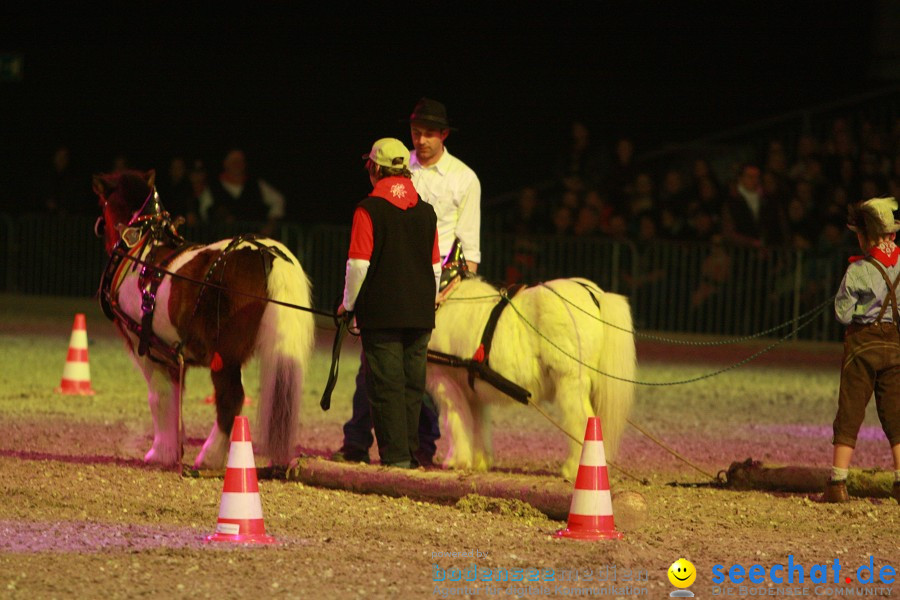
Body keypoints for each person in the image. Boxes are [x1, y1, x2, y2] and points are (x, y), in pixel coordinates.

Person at [334, 97, 481, 466]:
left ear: (444, 135)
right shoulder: (403, 166)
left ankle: (416, 448)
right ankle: (361, 441)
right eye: (416, 132)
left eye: (429, 133)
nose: (422, 140)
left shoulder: (464, 180)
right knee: (383, 372)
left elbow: (470, 252)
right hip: (410, 284)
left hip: (437, 285)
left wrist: (442, 293)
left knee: (419, 376)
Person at [337, 137, 441, 468]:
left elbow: (358, 265)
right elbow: (435, 267)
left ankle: (396, 461)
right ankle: (410, 454)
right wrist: (429, 302)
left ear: (376, 169)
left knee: (385, 389)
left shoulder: (368, 209)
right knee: (412, 388)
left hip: (381, 315)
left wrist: (348, 305)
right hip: (421, 314)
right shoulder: (427, 212)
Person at [826, 197, 900, 503]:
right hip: (895, 345)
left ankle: (838, 483)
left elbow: (843, 314)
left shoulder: (858, 270)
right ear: (892, 235)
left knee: (851, 410)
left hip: (862, 345)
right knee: (896, 414)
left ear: (863, 235)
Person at [207, 148, 286, 236]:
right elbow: (204, 211)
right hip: (223, 241)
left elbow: (278, 200)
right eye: (233, 161)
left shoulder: (256, 184)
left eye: (240, 161)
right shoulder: (212, 186)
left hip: (252, 240)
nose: (237, 164)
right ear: (225, 163)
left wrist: (271, 224)